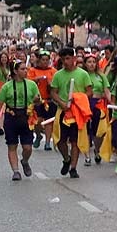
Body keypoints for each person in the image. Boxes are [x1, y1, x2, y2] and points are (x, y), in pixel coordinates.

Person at [49, 47, 94, 179]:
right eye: (63, 59)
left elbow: (89, 91)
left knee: (75, 141)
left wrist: (79, 99)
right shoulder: (58, 75)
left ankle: (73, 168)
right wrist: (61, 103)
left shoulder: (83, 74)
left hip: (77, 112)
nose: (65, 62)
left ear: (74, 59)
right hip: (63, 111)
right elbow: (53, 92)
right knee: (60, 140)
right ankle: (66, 158)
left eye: (68, 58)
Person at [0, 61, 37, 180]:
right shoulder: (7, 86)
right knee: (12, 145)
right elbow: (0, 103)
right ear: (15, 71)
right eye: (22, 69)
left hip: (26, 116)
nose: (26, 71)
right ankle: (15, 171)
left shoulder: (31, 84)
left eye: (26, 69)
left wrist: (37, 100)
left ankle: (24, 161)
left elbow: (38, 100)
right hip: (12, 116)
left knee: (27, 147)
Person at [28, 50, 57, 150]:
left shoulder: (53, 71)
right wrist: (37, 79)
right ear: (39, 60)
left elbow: (56, 84)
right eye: (43, 60)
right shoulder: (32, 70)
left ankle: (48, 142)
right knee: (37, 120)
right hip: (37, 100)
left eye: (46, 60)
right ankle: (38, 135)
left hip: (49, 100)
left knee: (49, 122)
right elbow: (28, 82)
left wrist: (50, 83)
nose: (45, 62)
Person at [82, 54, 107, 166]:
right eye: (89, 62)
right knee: (86, 130)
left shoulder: (101, 76)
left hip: (99, 105)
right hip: (85, 105)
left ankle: (97, 150)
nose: (91, 64)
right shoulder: (82, 75)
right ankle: (87, 156)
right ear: (85, 64)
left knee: (99, 131)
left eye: (94, 61)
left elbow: (107, 91)